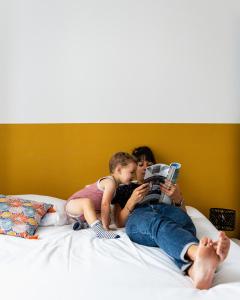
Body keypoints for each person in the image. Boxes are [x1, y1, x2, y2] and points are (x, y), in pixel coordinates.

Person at [112, 146, 230, 289]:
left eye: (149, 165)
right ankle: (197, 251)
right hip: (140, 216)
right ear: (132, 167)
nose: (144, 168)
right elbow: (118, 222)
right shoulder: (123, 187)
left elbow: (184, 216)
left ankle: (195, 271)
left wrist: (177, 197)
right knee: (158, 223)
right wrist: (132, 201)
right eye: (140, 164)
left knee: (185, 224)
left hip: (166, 210)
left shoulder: (166, 185)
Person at [66, 152, 137, 239]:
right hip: (73, 204)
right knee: (87, 202)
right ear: (119, 169)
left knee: (106, 218)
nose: (134, 176)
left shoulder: (116, 186)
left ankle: (84, 224)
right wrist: (106, 227)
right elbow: (105, 204)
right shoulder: (110, 182)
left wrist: (106, 221)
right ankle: (100, 232)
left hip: (86, 212)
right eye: (132, 172)